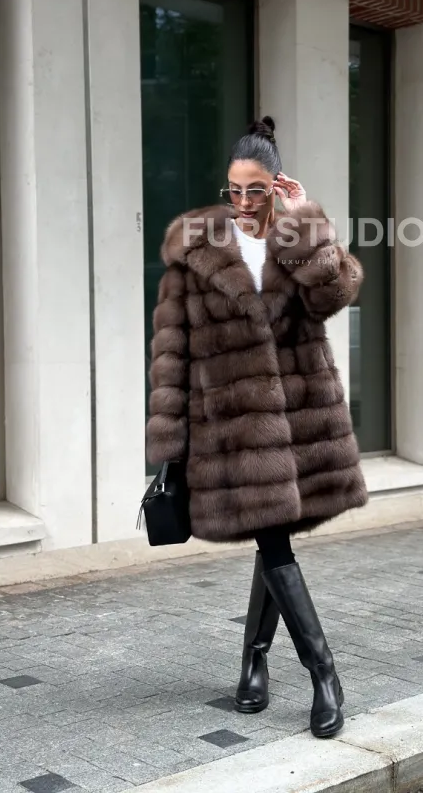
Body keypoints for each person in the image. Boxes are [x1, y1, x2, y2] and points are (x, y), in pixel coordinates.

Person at [147, 116, 368, 738]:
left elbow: (334, 295)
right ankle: (324, 675)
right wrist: (170, 444)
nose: (243, 201)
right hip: (234, 431)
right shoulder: (193, 253)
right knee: (274, 540)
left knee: (273, 540)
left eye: (256, 190)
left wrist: (304, 223)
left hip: (299, 422)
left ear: (276, 186)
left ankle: (256, 663)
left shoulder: (295, 239)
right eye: (234, 189)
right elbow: (171, 354)